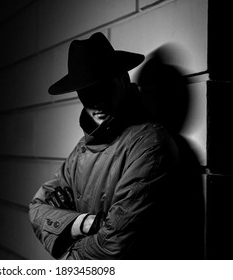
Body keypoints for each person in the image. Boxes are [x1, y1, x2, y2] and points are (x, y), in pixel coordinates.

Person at [28, 32, 204, 259]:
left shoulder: (150, 146)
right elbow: (36, 208)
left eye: (103, 87)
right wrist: (81, 223)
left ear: (123, 79)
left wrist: (67, 254)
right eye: (86, 92)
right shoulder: (81, 151)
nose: (96, 101)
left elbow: (113, 246)